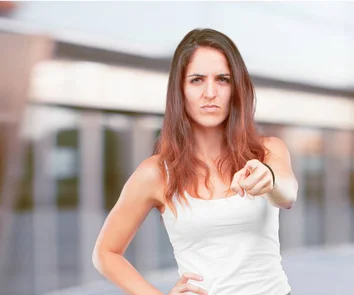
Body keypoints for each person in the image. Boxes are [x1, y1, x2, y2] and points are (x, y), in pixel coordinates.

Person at [92, 28, 298, 295]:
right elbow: (105, 253)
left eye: (223, 79)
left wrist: (268, 178)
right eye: (197, 80)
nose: (210, 92)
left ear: (236, 88)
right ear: (180, 89)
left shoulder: (268, 151)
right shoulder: (155, 173)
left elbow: (288, 194)